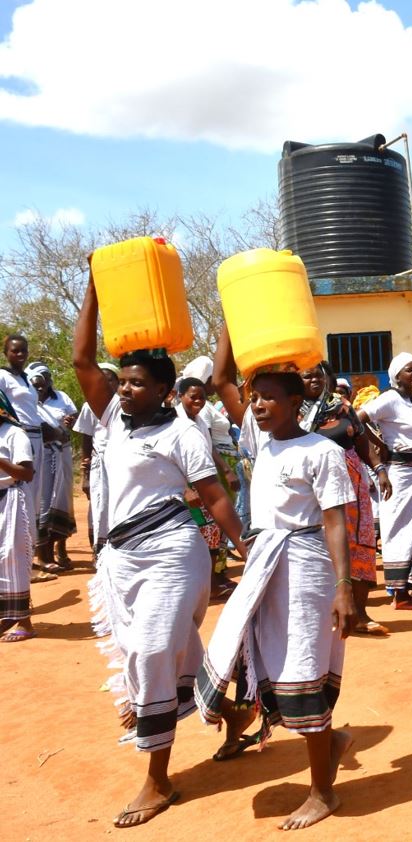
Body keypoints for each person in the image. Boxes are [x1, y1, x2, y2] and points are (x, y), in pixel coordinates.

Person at [73, 280, 246, 828]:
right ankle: (236, 714)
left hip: (173, 552)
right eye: (120, 382)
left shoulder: (184, 434)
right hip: (119, 561)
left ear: (165, 390)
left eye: (136, 384)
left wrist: (247, 549)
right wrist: (96, 286)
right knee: (167, 656)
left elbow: (215, 496)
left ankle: (157, 779)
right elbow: (81, 358)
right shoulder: (110, 421)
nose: (123, 390)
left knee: (150, 653)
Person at [196, 369, 356, 831]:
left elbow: (335, 522)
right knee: (274, 665)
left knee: (304, 669)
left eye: (269, 398)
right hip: (265, 567)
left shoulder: (322, 451)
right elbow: (223, 376)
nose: (259, 405)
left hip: (307, 570)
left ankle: (323, 793)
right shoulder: (261, 444)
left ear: (295, 402)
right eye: (255, 398)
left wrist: (344, 588)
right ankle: (333, 740)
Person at [300, 361, 389, 635]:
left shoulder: (342, 407)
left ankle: (360, 614)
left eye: (320, 375)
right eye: (308, 376)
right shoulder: (293, 413)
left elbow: (361, 441)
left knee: (361, 544)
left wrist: (379, 469)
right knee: (323, 546)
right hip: (316, 491)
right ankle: (323, 615)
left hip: (354, 486)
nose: (315, 380)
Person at [356, 353, 412, 610]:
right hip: (401, 475)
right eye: (409, 370)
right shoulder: (390, 399)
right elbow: (356, 420)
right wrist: (379, 446)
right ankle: (400, 594)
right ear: (396, 376)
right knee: (401, 529)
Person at [176, 377, 242, 603]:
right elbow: (169, 458)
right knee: (192, 535)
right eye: (193, 397)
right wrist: (185, 488)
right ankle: (194, 587)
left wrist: (226, 470)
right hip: (185, 487)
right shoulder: (174, 422)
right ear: (180, 396)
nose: (198, 401)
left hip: (205, 481)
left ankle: (211, 584)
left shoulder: (199, 420)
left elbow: (209, 446)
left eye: (202, 397)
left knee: (213, 532)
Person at [1, 335, 52, 582]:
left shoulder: (27, 380)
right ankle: (21, 565)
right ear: (6, 353)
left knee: (33, 499)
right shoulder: (3, 377)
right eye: (14, 351)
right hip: (17, 438)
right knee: (20, 498)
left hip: (36, 439)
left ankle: (27, 562)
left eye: (23, 350)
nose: (19, 355)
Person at [28, 363, 77, 571]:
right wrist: (56, 433)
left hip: (62, 454)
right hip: (41, 457)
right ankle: (43, 555)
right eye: (37, 382)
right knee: (44, 502)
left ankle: (61, 548)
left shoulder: (62, 398)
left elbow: (74, 419)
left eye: (45, 379)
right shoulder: (27, 403)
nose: (42, 385)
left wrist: (70, 421)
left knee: (63, 500)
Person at [0, 390, 37, 642]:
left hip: (12, 498)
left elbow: (26, 473)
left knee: (13, 557)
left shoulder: (15, 434)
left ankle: (24, 621)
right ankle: (8, 615)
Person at [74, 363, 120, 555]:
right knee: (98, 508)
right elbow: (87, 436)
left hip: (121, 463)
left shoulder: (126, 404)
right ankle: (98, 551)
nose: (106, 383)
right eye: (103, 378)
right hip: (99, 465)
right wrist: (85, 475)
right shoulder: (89, 405)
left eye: (111, 379)